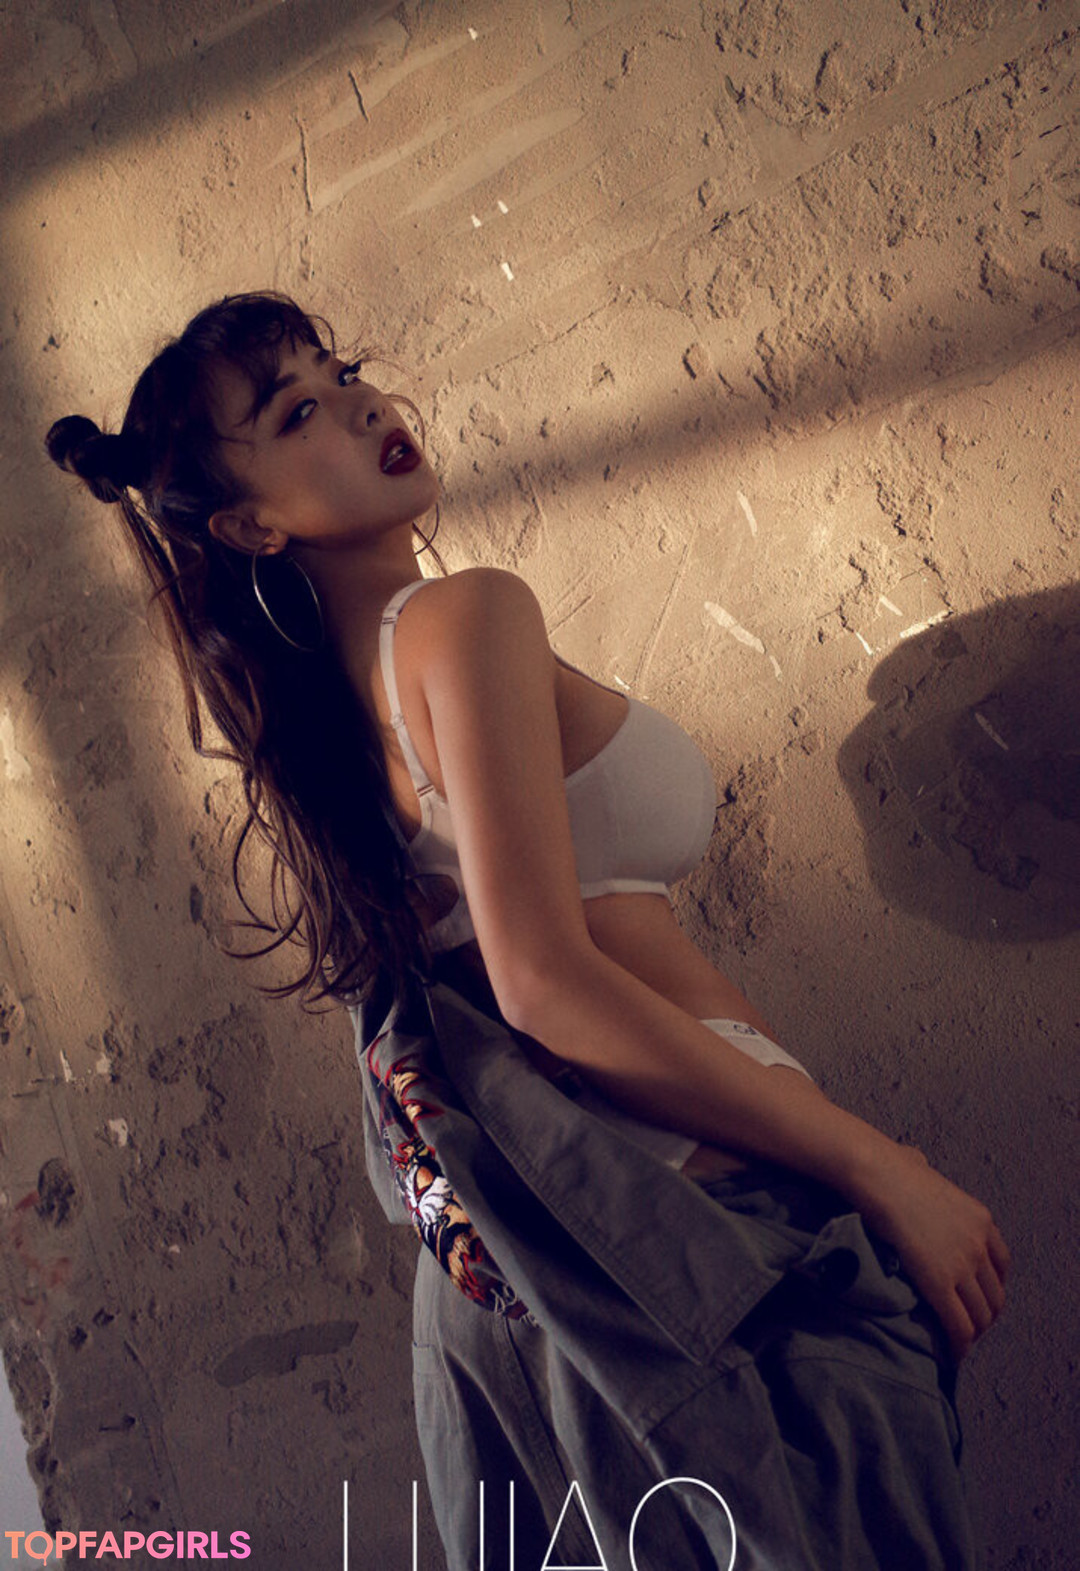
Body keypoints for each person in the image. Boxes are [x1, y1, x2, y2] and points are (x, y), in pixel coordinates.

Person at [46, 291, 1009, 1570]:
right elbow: (545, 982)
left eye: (342, 371)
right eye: (298, 412)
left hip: (565, 1292)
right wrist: (882, 1168)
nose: (363, 404)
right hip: (716, 1245)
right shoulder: (464, 616)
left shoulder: (337, 726)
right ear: (249, 524)